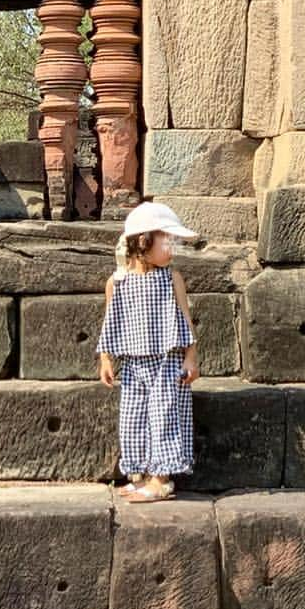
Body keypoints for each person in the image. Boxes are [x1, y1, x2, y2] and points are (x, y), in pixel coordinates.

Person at [97, 201, 200, 502]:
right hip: (132, 365)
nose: (171, 249)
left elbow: (184, 318)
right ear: (143, 242)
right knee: (133, 419)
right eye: (166, 241)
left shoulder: (171, 279)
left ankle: (161, 480)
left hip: (166, 363)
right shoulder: (117, 282)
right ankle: (138, 474)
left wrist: (190, 356)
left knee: (163, 416)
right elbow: (110, 322)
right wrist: (106, 359)